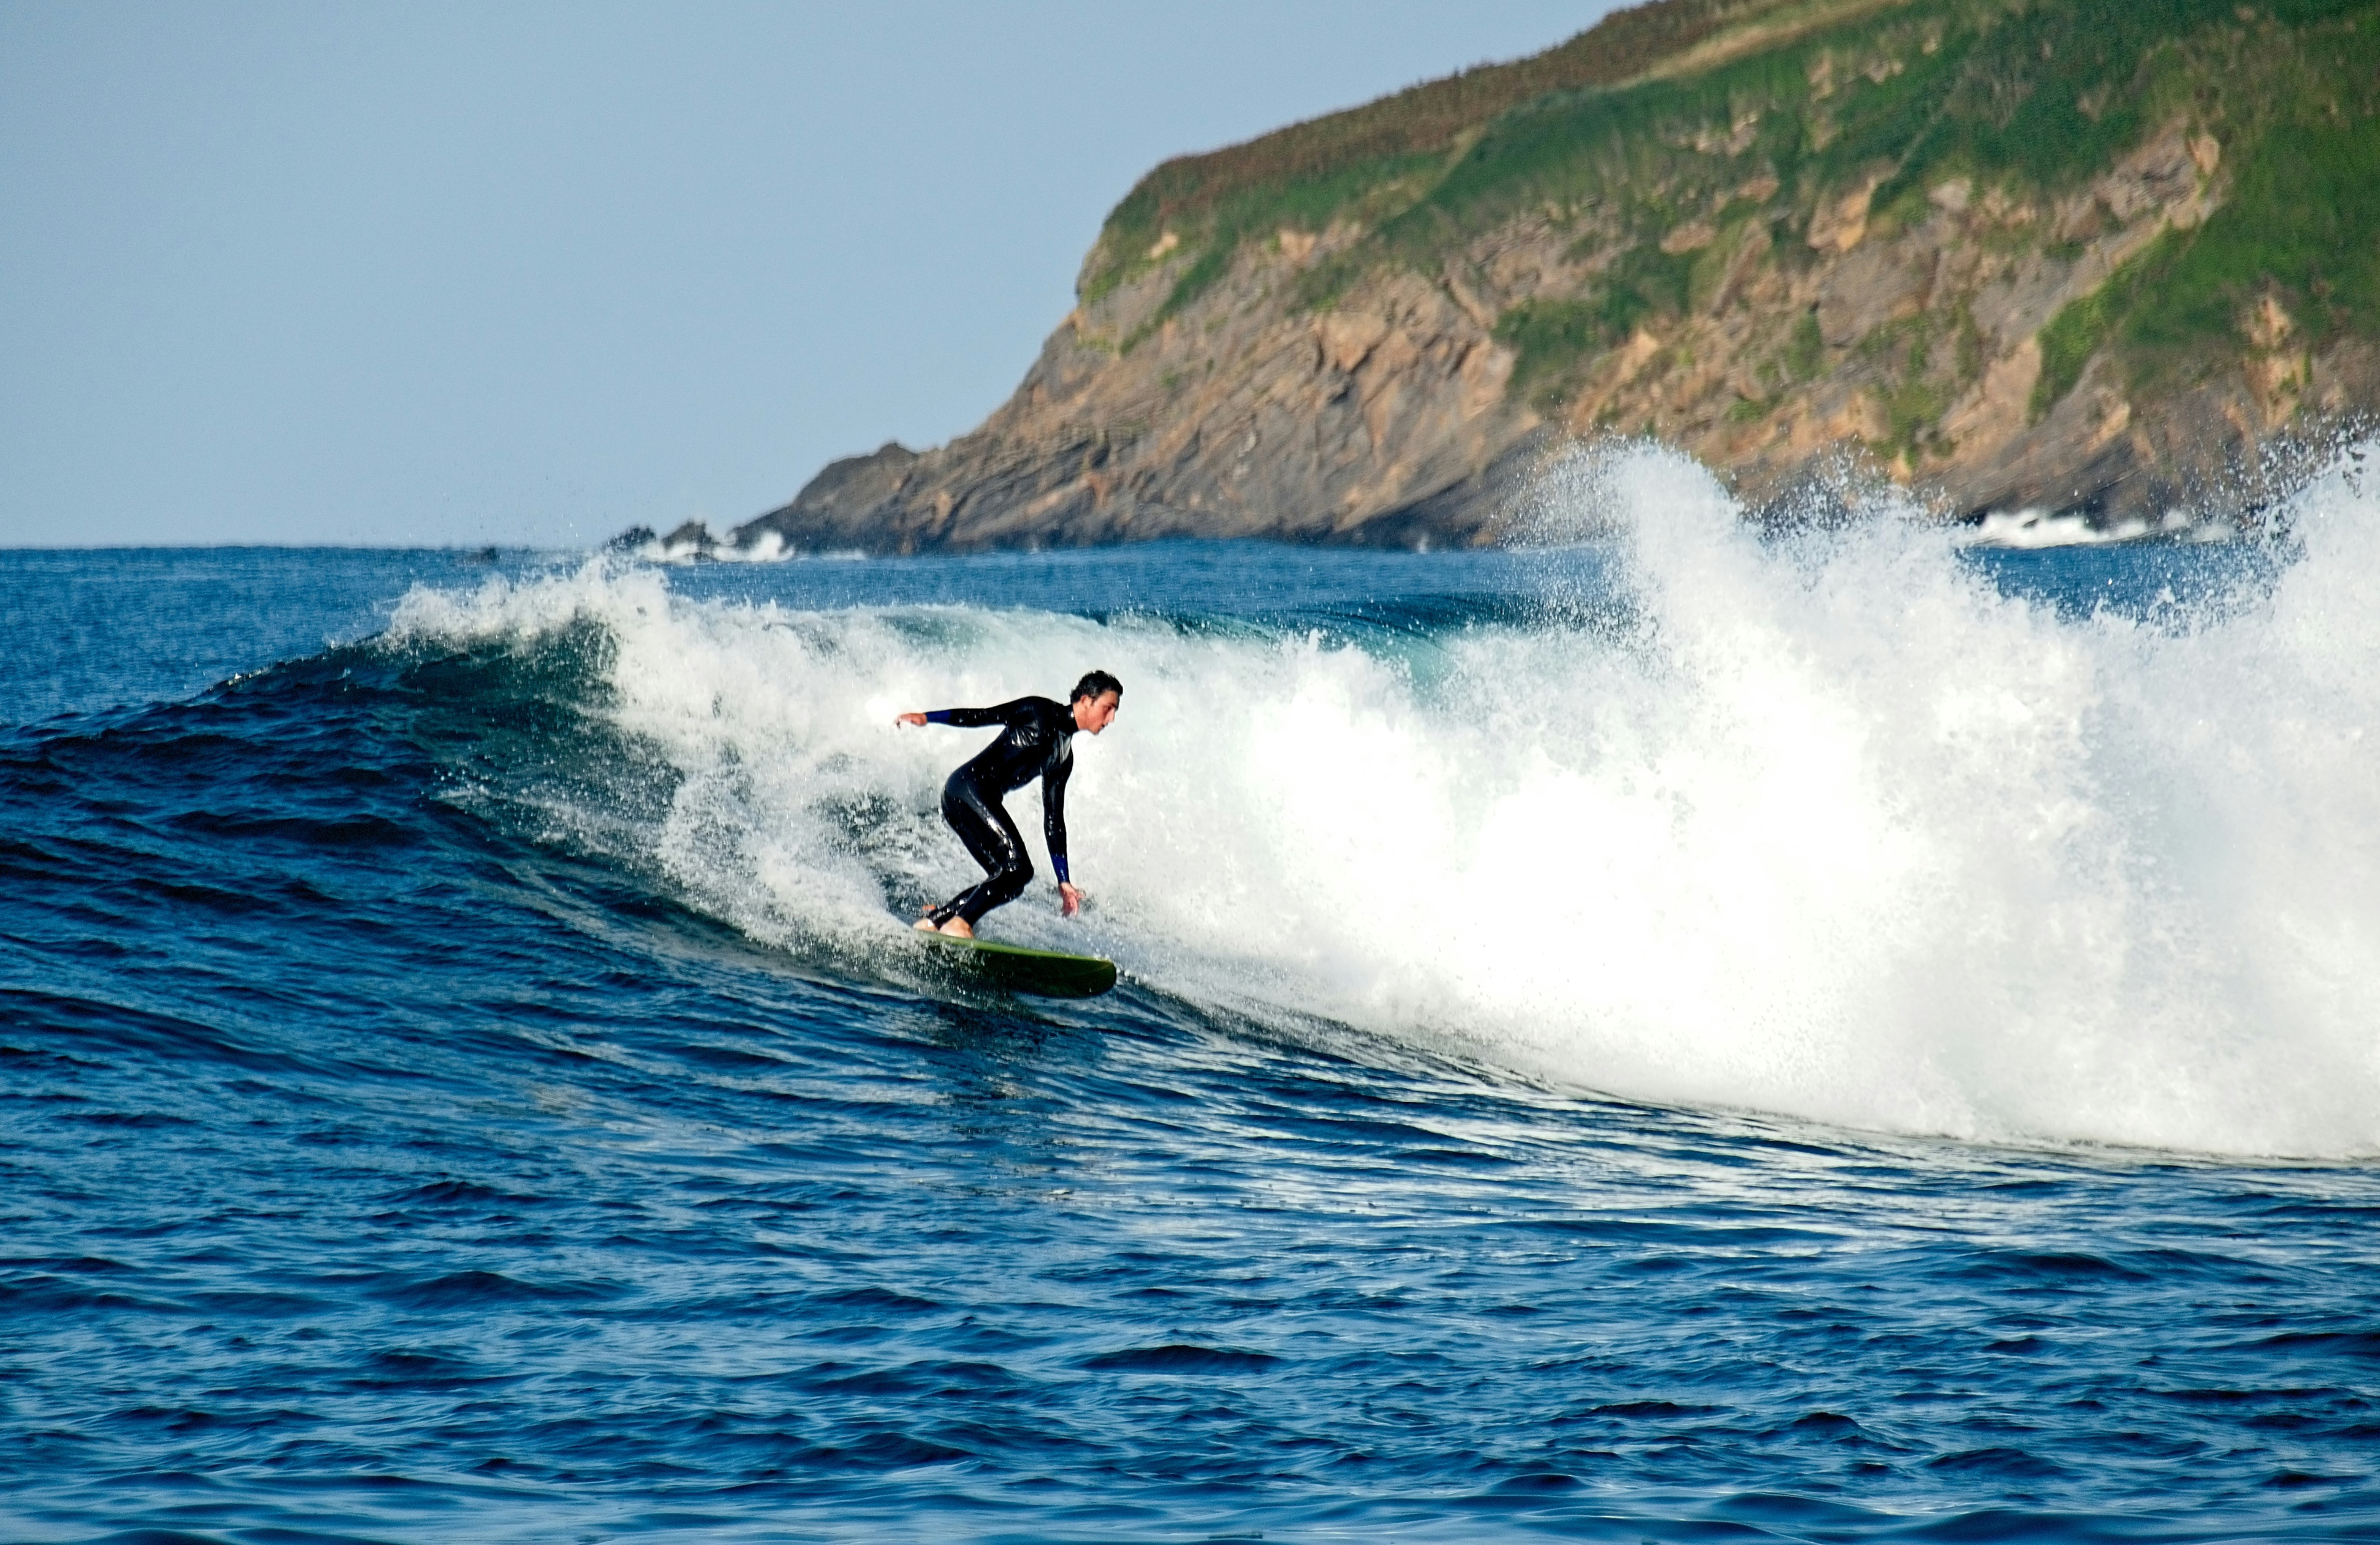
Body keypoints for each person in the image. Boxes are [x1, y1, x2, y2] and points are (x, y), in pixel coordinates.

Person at [896, 670, 1122, 938]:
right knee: (1019, 869)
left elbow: (1054, 820)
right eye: (1108, 708)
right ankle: (960, 924)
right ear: (1087, 700)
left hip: (974, 799)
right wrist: (928, 718)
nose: (1111, 719)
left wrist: (1064, 881)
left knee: (1009, 880)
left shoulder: (1063, 758)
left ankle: (935, 921)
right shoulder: (1039, 711)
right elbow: (982, 715)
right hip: (967, 789)